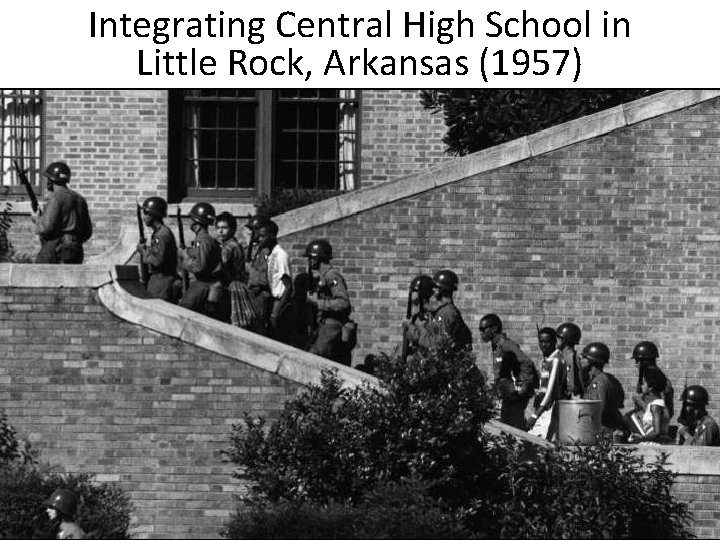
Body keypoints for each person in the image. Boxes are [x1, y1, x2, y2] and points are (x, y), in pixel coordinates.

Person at [479, 313, 538, 427]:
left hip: (516, 400)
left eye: (483, 329)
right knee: (507, 431)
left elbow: (527, 363)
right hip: (508, 398)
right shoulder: (497, 346)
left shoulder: (506, 345)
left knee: (516, 431)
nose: (481, 333)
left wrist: (522, 387)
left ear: (494, 329)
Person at [32, 162, 92, 264]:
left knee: (41, 277)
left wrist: (36, 219)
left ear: (50, 181)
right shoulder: (80, 199)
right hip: (75, 251)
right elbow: (87, 232)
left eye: (47, 179)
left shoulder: (56, 198)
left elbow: (46, 228)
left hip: (56, 250)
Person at [306, 239, 353, 365]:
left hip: (333, 325)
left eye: (310, 258)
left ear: (316, 259)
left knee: (314, 358)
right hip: (324, 324)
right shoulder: (323, 276)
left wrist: (318, 303)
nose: (309, 262)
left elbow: (343, 302)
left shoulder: (332, 276)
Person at [404, 270, 472, 354]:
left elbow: (437, 345)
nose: (433, 290)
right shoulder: (446, 311)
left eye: (436, 287)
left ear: (442, 289)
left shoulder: (446, 313)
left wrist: (414, 329)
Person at [178, 202, 222, 316]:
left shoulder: (202, 240)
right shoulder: (205, 240)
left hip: (203, 284)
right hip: (203, 283)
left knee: (184, 311)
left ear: (197, 223)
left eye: (192, 220)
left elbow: (200, 266)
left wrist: (186, 259)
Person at [214, 212, 255, 327]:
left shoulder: (229, 246)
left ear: (232, 230)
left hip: (230, 286)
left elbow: (220, 266)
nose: (220, 231)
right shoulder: (231, 244)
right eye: (218, 228)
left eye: (224, 228)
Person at [258, 221, 294, 344]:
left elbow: (288, 287)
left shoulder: (281, 255)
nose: (260, 239)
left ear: (272, 236)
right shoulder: (270, 254)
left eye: (263, 236)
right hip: (271, 301)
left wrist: (275, 313)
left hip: (279, 302)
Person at [136, 197, 178, 302]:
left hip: (162, 283)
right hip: (159, 281)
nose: (143, 217)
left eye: (146, 213)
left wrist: (143, 251)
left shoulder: (161, 235)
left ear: (153, 215)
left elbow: (157, 261)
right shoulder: (160, 233)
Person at [580, 342, 626, 437]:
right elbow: (620, 404)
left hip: (601, 433)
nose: (581, 361)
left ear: (590, 361)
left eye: (584, 358)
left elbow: (596, 411)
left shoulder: (597, 383)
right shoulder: (612, 380)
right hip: (612, 429)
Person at [527, 327, 566, 440]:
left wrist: (535, 415)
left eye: (547, 341)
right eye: (541, 342)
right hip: (544, 410)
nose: (543, 345)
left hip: (550, 410)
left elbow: (551, 392)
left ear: (554, 341)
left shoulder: (556, 360)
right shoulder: (547, 360)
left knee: (541, 445)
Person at [628, 341, 674, 420]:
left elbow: (663, 414)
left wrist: (639, 401)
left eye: (637, 361)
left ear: (644, 362)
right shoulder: (645, 379)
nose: (635, 364)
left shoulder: (660, 382)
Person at [628, 365, 671, 444]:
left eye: (644, 383)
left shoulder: (655, 406)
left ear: (650, 387)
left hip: (653, 447)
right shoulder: (659, 404)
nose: (641, 386)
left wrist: (641, 439)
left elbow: (657, 432)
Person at [245, 215, 273, 335]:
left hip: (261, 294)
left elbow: (264, 278)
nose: (251, 235)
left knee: (258, 329)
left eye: (253, 231)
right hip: (253, 293)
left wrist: (249, 269)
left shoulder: (267, 251)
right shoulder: (259, 249)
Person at [400, 274, 434, 359]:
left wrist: (410, 327)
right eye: (414, 303)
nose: (415, 310)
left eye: (417, 302)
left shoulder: (433, 318)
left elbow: (428, 344)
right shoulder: (414, 317)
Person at [495, 351, 528, 430]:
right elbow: (505, 396)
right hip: (509, 415)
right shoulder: (503, 381)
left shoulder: (520, 378)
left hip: (519, 415)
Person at [556, 322, 584, 398]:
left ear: (564, 340)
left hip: (567, 399)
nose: (556, 341)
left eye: (558, 338)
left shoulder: (569, 356)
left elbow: (571, 384)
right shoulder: (565, 354)